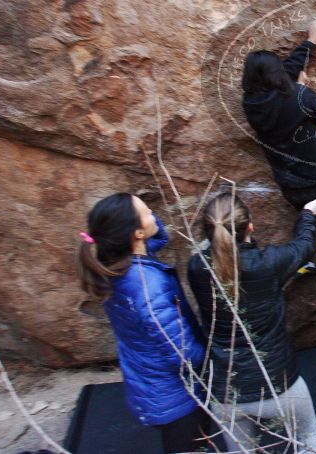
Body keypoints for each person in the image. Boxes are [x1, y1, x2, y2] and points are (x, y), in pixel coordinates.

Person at [187, 191, 316, 453]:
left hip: (226, 391)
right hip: (278, 383)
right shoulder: (267, 263)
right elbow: (304, 247)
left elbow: (223, 259)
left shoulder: (196, 267)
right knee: (308, 438)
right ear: (250, 225)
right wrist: (308, 215)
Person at [76, 193, 209, 453]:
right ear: (136, 233)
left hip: (150, 385)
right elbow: (181, 351)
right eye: (148, 212)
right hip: (175, 397)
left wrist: (139, 215)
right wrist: (214, 358)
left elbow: (158, 236)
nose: (153, 214)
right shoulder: (148, 288)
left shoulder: (113, 264)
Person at [242, 20, 316, 276]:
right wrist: (304, 89)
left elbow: (288, 68)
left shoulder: (251, 103)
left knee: (308, 210)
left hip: (289, 182)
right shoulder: (298, 94)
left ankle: (305, 250)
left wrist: (311, 41)